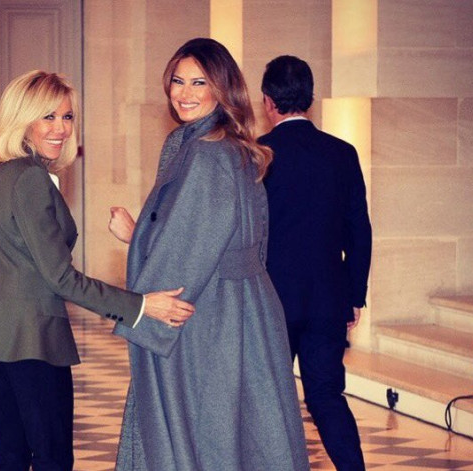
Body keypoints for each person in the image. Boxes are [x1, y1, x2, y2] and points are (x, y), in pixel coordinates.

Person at [0, 70, 194, 471]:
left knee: (8, 457)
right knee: (53, 459)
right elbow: (60, 277)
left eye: (67, 117)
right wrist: (140, 306)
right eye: (48, 116)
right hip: (33, 343)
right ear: (22, 118)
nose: (61, 129)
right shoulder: (30, 178)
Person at [109, 38, 310, 471]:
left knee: (205, 432)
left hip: (209, 312)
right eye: (177, 81)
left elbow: (189, 249)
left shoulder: (205, 153)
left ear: (222, 88)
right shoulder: (231, 144)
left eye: (198, 82)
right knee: (246, 433)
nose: (184, 93)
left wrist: (135, 240)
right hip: (247, 308)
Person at [259, 55, 372, 471]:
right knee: (326, 395)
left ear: (267, 101)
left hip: (270, 300)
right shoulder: (342, 153)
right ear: (310, 98)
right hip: (328, 298)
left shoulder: (257, 154)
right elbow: (359, 230)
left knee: (268, 398)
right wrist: (354, 295)